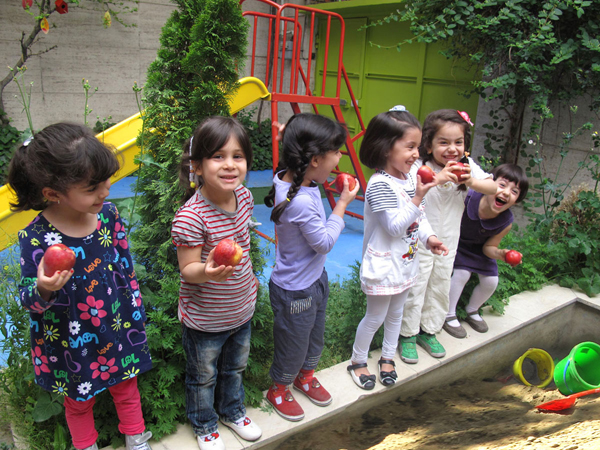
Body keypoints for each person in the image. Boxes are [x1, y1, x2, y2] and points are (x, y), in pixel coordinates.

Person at [7, 123, 153, 450]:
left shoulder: (108, 216)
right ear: (53, 194)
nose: (105, 192)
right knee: (78, 400)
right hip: (69, 339)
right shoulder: (37, 237)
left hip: (115, 324)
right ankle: (85, 445)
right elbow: (29, 300)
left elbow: (124, 266)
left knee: (127, 387)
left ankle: (137, 439)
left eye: (106, 180)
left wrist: (136, 310)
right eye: (92, 188)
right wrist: (44, 286)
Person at [171, 117, 261, 450]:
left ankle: (232, 411)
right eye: (218, 156)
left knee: (235, 368)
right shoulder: (191, 217)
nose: (229, 165)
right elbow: (188, 269)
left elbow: (243, 245)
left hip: (241, 309)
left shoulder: (244, 197)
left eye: (238, 156)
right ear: (196, 166)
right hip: (205, 319)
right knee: (203, 376)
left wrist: (249, 279)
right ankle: (205, 423)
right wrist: (207, 272)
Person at [263, 113, 360, 421]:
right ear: (315, 159)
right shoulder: (301, 200)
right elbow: (324, 243)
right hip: (295, 291)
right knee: (294, 344)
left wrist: (289, 136)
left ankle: (305, 377)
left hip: (315, 279)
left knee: (314, 337)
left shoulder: (297, 178)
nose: (340, 157)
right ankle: (279, 388)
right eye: (337, 151)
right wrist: (342, 204)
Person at [347, 107, 448, 390]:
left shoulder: (411, 176)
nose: (417, 154)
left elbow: (419, 217)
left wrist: (429, 238)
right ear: (385, 148)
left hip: (405, 262)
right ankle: (357, 360)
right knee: (375, 317)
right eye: (410, 146)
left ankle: (388, 357)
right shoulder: (380, 185)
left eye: (418, 146)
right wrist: (417, 197)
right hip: (383, 266)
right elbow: (394, 227)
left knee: (396, 314)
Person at [399, 109, 498, 364]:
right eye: (443, 142)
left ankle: (429, 330)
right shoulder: (419, 167)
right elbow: (408, 194)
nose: (452, 149)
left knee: (440, 284)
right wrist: (438, 178)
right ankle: (407, 334)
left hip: (448, 242)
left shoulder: (467, 166)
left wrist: (471, 181)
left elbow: (493, 186)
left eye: (458, 142)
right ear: (428, 145)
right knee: (416, 286)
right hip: (419, 241)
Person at [445, 164, 529, 337]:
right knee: (462, 274)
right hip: (457, 243)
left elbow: (489, 248)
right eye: (502, 185)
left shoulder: (506, 221)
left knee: (491, 281)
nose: (506, 193)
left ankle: (472, 309)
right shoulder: (469, 198)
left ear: (516, 201)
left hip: (479, 251)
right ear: (489, 184)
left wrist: (502, 254)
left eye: (514, 191)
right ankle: (448, 313)